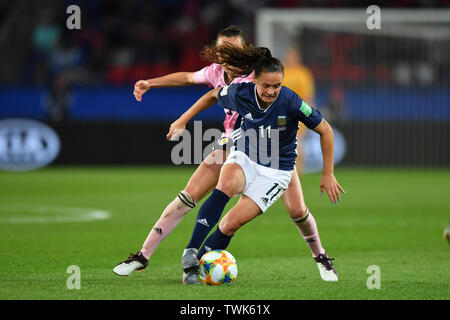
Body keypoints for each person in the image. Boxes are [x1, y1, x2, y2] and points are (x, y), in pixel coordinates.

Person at [114, 26, 339, 283]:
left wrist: (326, 171)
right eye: (223, 51)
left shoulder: (256, 78)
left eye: (234, 51)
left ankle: (320, 256)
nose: (228, 57)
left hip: (276, 152)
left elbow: (307, 118)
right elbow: (190, 80)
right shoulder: (216, 73)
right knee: (189, 195)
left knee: (297, 210)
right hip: (236, 144)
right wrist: (151, 84)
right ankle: (143, 256)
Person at [167, 46, 345, 281]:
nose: (271, 91)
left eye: (276, 85)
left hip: (277, 170)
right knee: (226, 185)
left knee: (230, 224)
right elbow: (212, 95)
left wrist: (328, 173)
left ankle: (198, 264)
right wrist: (183, 119)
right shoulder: (241, 92)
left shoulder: (291, 101)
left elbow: (325, 130)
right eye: (266, 86)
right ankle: (190, 254)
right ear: (254, 81)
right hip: (246, 155)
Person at [282, 47, 316, 174]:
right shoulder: (281, 71)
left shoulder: (303, 73)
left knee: (297, 142)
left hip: (298, 112)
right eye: (289, 56)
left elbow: (308, 95)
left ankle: (299, 171)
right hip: (282, 112)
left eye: (293, 57)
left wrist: (308, 114)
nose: (291, 59)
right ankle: (284, 169)